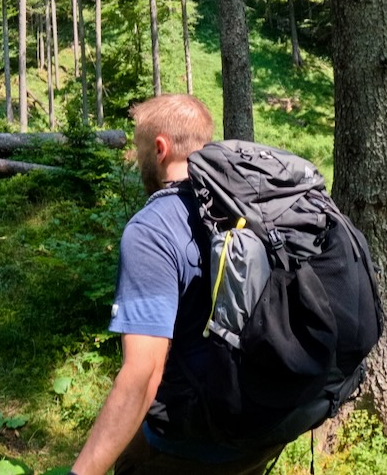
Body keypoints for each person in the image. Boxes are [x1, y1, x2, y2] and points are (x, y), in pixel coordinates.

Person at [70, 94, 285, 475]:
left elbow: (142, 376)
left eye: (139, 150)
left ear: (160, 148)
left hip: (197, 440)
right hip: (264, 422)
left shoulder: (151, 230)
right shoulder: (242, 206)